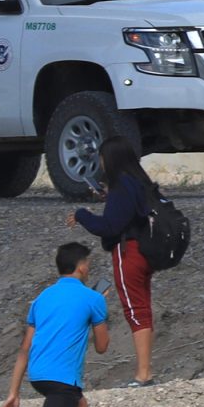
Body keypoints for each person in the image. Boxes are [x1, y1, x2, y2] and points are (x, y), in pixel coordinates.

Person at [2, 242, 111, 407]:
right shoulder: (93, 298)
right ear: (83, 267)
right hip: (63, 381)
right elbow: (102, 346)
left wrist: (13, 391)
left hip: (38, 376)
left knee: (79, 406)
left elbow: (24, 348)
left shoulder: (42, 298)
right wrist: (101, 310)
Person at [71, 137, 162, 386]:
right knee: (143, 308)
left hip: (128, 254)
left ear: (109, 159)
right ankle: (146, 371)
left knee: (135, 311)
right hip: (146, 253)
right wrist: (108, 198)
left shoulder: (121, 185)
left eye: (102, 158)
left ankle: (143, 374)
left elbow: (109, 226)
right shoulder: (138, 182)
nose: (100, 163)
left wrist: (82, 215)